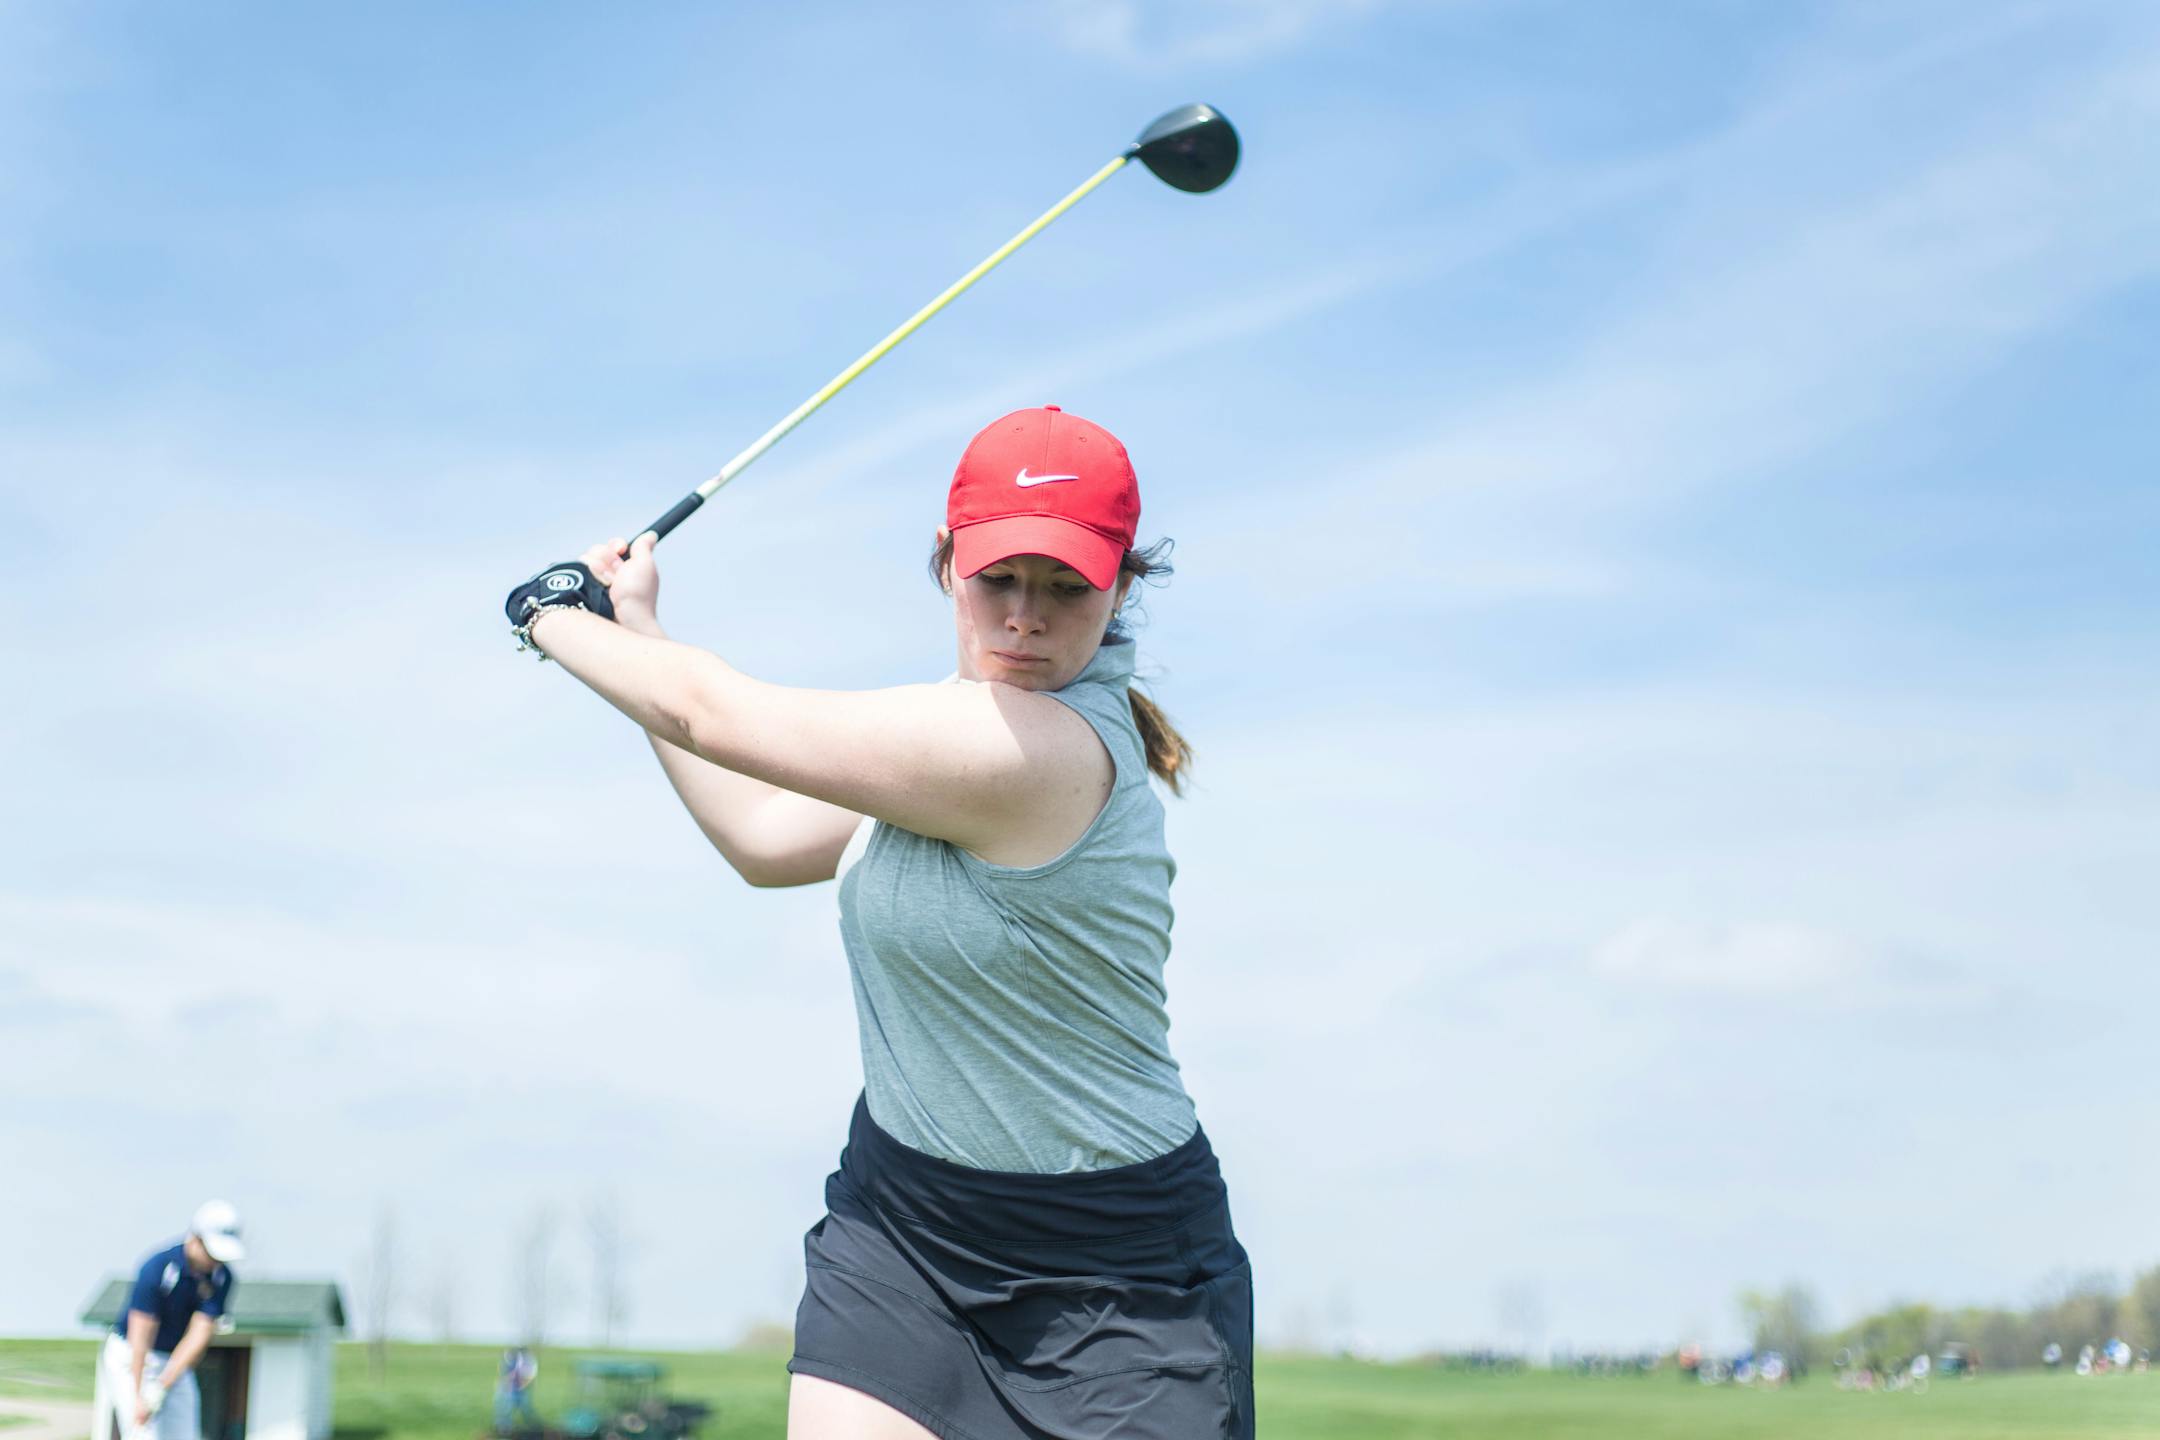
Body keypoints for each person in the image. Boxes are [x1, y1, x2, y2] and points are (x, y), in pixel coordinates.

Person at [505, 405, 1253, 1439]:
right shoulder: (941, 745)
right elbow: (764, 837)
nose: (1025, 617)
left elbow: (716, 717)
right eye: (1000, 578)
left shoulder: (1034, 752)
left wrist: (550, 616)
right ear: (949, 565)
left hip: (1116, 1276)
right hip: (906, 1226)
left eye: (1066, 586)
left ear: (1121, 586)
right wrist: (637, 636)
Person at [100, 1201, 243, 1440]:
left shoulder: (221, 1277)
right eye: (212, 1253)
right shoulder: (158, 1268)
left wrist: (162, 1386)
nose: (217, 1261)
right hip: (131, 1355)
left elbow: (199, 1334)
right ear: (195, 1239)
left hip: (173, 1362)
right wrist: (139, 1396)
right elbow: (141, 1334)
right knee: (143, 1434)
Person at [493, 1346, 541, 1434]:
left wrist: (523, 1384)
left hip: (518, 1390)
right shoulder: (510, 1361)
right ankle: (503, 1428)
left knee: (525, 1410)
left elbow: (528, 1376)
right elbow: (505, 1374)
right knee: (506, 1409)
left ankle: (531, 1427)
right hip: (510, 1390)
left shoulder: (527, 1361)